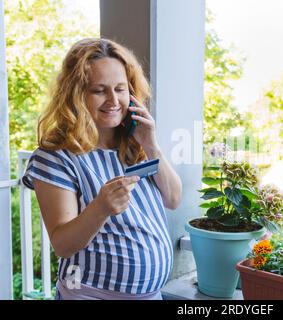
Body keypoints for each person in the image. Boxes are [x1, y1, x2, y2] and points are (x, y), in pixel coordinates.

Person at [22, 38, 182, 300]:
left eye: (120, 89)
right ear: (76, 94)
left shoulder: (136, 144)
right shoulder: (56, 156)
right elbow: (62, 244)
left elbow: (174, 199)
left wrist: (151, 144)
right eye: (99, 90)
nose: (113, 100)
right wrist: (101, 207)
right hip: (89, 294)